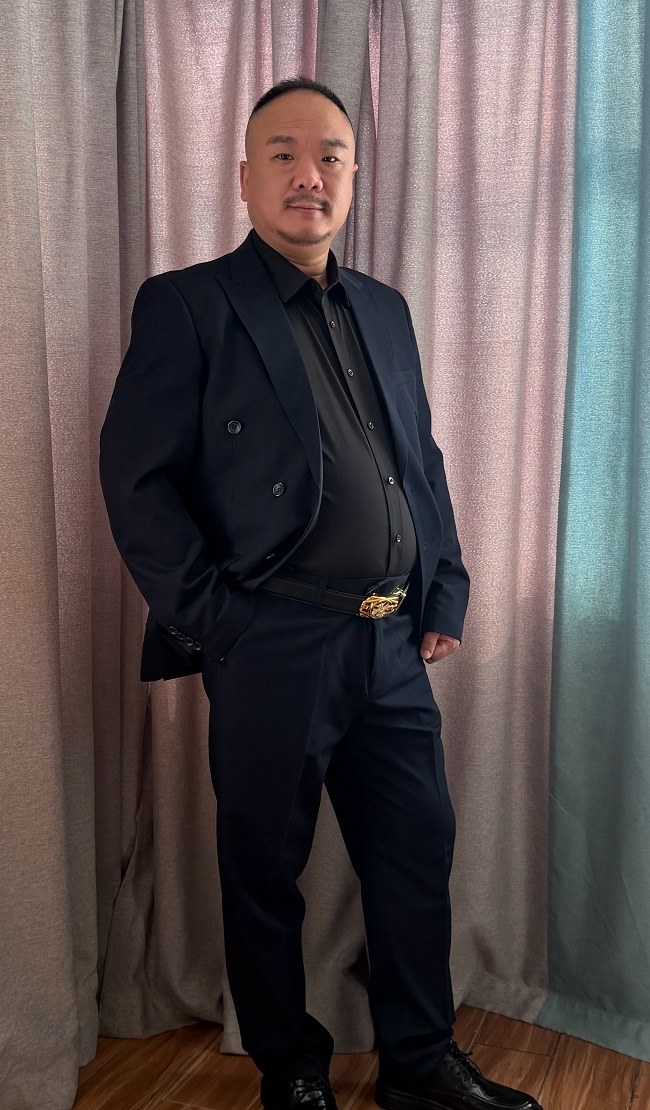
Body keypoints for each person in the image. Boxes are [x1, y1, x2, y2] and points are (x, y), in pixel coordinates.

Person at [99, 77, 540, 1110]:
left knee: (415, 853)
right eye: (285, 154)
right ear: (245, 176)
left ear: (352, 175)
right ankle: (291, 1072)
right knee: (264, 869)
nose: (310, 174)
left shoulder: (384, 308)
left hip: (391, 642)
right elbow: (136, 481)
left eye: (330, 155)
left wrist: (444, 589)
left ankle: (417, 1062)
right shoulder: (189, 304)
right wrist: (220, 622)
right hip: (274, 641)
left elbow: (418, 460)